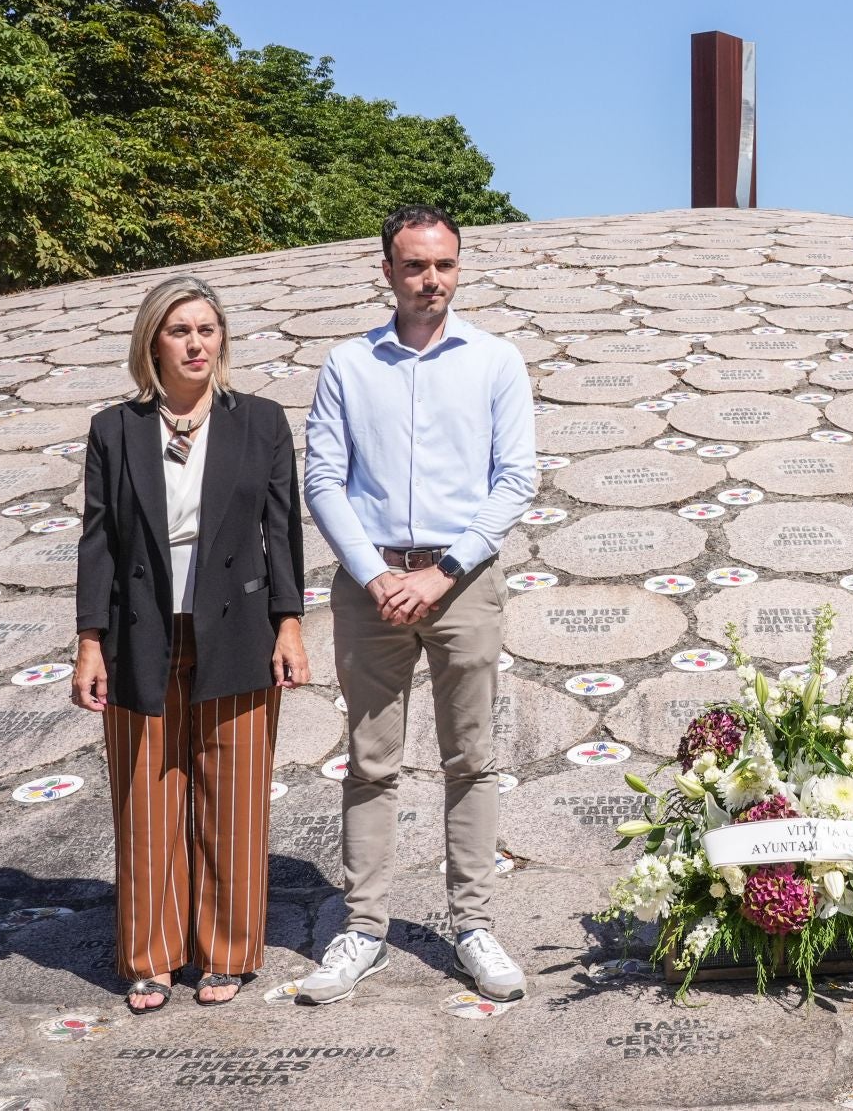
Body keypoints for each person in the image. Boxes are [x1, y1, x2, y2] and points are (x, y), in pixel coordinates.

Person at [296, 205, 537, 1005]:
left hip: (463, 582)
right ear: (387, 270)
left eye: (443, 266)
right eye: (413, 266)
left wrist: (442, 572)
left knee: (472, 758)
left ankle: (473, 925)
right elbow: (324, 480)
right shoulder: (348, 364)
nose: (430, 281)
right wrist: (373, 576)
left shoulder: (495, 361)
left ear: (458, 269)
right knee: (370, 762)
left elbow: (516, 480)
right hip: (372, 588)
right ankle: (363, 929)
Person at [73, 275, 310, 1014]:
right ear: (153, 342)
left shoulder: (262, 422)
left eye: (207, 329)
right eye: (180, 330)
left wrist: (290, 624)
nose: (196, 342)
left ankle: (227, 953)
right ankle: (151, 956)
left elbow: (283, 534)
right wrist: (89, 642)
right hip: (141, 630)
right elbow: (98, 543)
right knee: (147, 797)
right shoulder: (115, 429)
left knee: (233, 799)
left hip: (237, 629)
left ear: (222, 340)